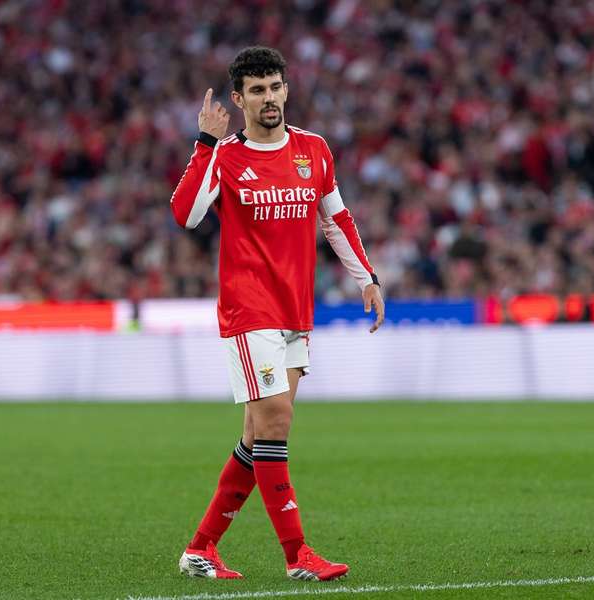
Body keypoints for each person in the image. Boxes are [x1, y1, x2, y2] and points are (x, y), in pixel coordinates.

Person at [170, 46, 384, 582]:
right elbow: (186, 214)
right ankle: (297, 555)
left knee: (257, 435)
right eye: (257, 90)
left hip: (295, 310)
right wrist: (205, 142)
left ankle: (201, 549)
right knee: (276, 423)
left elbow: (335, 218)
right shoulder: (226, 155)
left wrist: (366, 278)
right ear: (239, 99)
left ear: (286, 90)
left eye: (275, 87)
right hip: (249, 310)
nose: (269, 98)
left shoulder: (313, 149)